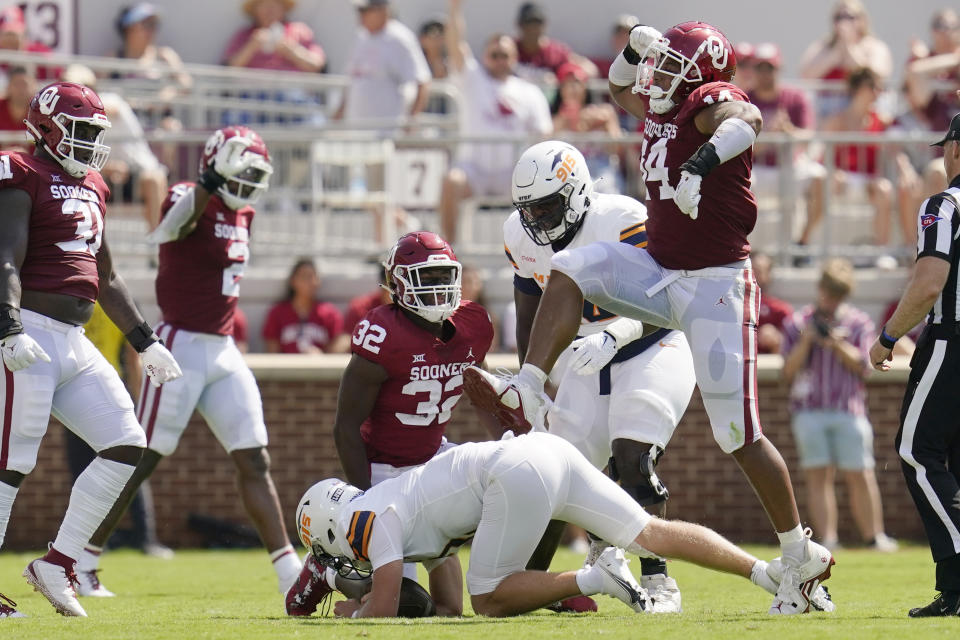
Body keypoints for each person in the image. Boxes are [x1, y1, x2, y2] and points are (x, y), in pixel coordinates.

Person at [463, 21, 835, 615]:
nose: (656, 77)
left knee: (737, 434)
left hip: (715, 286)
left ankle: (800, 553)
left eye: (669, 68)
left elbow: (749, 121)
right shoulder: (663, 104)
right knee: (573, 267)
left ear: (701, 76)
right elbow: (618, 89)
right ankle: (530, 384)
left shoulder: (708, 103)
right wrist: (634, 50)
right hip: (662, 273)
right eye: (657, 66)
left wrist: (700, 165)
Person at [79, 126, 302, 597]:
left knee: (254, 457)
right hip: (179, 343)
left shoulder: (243, 213)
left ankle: (289, 574)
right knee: (138, 457)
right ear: (217, 165)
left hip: (222, 348)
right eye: (240, 171)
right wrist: (208, 185)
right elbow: (170, 228)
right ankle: (82, 558)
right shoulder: (187, 194)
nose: (248, 183)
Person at [288, 432, 820, 618]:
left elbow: (382, 611)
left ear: (331, 528)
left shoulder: (370, 519)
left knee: (490, 597)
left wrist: (346, 605)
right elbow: (444, 607)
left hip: (512, 472)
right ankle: (773, 575)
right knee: (650, 534)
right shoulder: (393, 510)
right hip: (543, 453)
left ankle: (594, 578)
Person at [0, 81, 181, 618]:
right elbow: (5, 256)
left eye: (93, 132)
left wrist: (144, 340)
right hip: (28, 330)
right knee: (12, 460)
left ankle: (58, 563)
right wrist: (8, 326)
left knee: (126, 443)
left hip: (74, 340)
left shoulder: (95, 185)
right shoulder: (20, 172)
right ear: (48, 128)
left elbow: (107, 276)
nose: (88, 142)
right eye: (79, 130)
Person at [502, 140, 696, 613]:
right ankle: (536, 587)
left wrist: (618, 333)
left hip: (653, 342)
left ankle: (658, 580)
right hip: (585, 358)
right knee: (550, 468)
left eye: (548, 206)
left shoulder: (621, 219)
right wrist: (533, 377)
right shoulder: (519, 235)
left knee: (632, 458)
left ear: (577, 192)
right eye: (530, 209)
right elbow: (531, 307)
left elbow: (675, 297)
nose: (538, 220)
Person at [283, 232, 495, 616]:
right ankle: (326, 574)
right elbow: (345, 425)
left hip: (431, 457)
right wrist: (367, 504)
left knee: (448, 608)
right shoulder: (384, 331)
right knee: (402, 599)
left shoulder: (474, 324)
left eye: (444, 276)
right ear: (398, 282)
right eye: (425, 278)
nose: (438, 288)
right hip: (382, 466)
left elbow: (483, 394)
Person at [869, 109, 960, 617]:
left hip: (953, 339)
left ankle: (957, 572)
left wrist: (889, 336)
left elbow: (930, 282)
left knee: (916, 450)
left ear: (954, 149)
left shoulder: (945, 204)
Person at [782, 258, 896, 552]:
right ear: (820, 289)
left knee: (861, 473)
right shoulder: (798, 323)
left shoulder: (858, 323)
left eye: (836, 295)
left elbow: (866, 367)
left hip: (849, 410)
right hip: (809, 411)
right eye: (827, 293)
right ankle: (829, 540)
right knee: (818, 476)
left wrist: (836, 344)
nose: (830, 301)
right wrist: (807, 341)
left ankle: (875, 537)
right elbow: (787, 372)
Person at [438, 0, 552, 243]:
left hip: (512, 172)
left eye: (505, 55)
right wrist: (454, 9)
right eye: (494, 54)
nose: (500, 59)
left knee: (544, 185)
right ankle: (450, 249)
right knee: (451, 181)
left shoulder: (529, 91)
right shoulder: (472, 78)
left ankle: (536, 254)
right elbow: (454, 44)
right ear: (485, 56)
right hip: (475, 169)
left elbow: (545, 133)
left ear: (514, 57)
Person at [743, 43, 826, 252]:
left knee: (820, 178)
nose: (764, 74)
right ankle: (741, 246)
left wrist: (787, 130)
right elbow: (741, 145)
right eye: (759, 68)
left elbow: (807, 136)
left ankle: (802, 243)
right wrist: (770, 135)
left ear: (778, 70)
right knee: (736, 185)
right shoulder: (745, 100)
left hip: (791, 165)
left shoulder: (795, 97)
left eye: (769, 68)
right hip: (756, 169)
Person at [819, 68, 896, 249]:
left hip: (870, 180)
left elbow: (894, 152)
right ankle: (826, 248)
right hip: (841, 178)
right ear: (859, 88)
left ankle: (882, 250)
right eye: (873, 87)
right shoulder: (837, 121)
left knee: (884, 190)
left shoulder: (882, 120)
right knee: (828, 183)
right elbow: (823, 158)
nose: (878, 92)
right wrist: (834, 172)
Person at [335, 0, 429, 128]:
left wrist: (410, 122)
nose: (360, 15)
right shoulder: (361, 37)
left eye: (364, 10)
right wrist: (339, 114)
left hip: (386, 132)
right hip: (356, 131)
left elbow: (422, 81)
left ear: (383, 10)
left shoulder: (399, 39)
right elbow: (352, 80)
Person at [799, 0, 892, 117]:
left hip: (865, 111)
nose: (843, 22)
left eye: (849, 17)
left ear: (862, 20)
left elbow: (876, 75)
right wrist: (834, 56)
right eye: (839, 17)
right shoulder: (823, 46)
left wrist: (849, 50)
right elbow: (806, 76)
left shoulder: (874, 46)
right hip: (828, 112)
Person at [551, 63, 624, 193]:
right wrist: (571, 119)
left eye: (577, 83)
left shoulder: (605, 112)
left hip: (602, 172)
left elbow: (616, 147)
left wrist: (605, 124)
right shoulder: (556, 119)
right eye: (567, 84)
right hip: (568, 173)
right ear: (561, 89)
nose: (573, 88)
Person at [262, 259, 345, 354]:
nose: (311, 282)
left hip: (318, 366)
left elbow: (334, 351)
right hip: (287, 367)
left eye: (314, 277)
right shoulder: (277, 313)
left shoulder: (330, 313)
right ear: (293, 281)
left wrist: (319, 357)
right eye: (305, 277)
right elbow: (272, 352)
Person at [223, 0, 325, 73]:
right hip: (250, 94)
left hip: (293, 94)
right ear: (255, 11)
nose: (270, 10)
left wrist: (291, 50)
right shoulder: (244, 35)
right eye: (264, 4)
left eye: (275, 4)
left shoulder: (299, 30)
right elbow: (228, 69)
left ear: (284, 9)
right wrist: (250, 48)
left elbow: (317, 66)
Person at [513, 2, 597, 82]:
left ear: (545, 25)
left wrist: (560, 78)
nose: (533, 28)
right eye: (528, 23)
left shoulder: (556, 52)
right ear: (519, 25)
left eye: (537, 23)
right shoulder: (510, 49)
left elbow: (591, 70)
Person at [752, 253, 793, 355]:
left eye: (759, 271)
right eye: (752, 270)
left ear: (769, 274)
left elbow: (793, 348)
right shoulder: (732, 307)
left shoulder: (781, 310)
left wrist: (777, 339)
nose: (755, 275)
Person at [0, 66, 34, 153]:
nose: (21, 89)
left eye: (24, 84)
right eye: (16, 84)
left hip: (32, 164)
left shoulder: (41, 112)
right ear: (8, 86)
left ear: (34, 86)